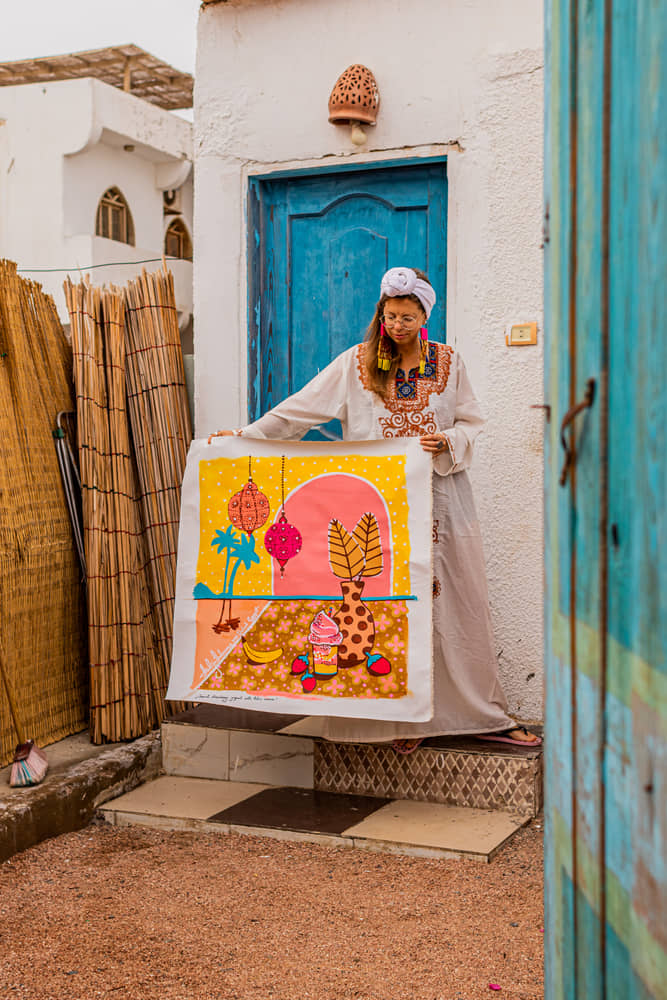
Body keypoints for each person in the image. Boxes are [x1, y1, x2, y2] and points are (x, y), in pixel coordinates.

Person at [209, 267, 540, 752]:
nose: (399, 325)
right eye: (391, 315)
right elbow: (298, 412)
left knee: (453, 608)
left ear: (426, 315)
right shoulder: (357, 364)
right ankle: (394, 718)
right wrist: (242, 437)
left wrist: (447, 439)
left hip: (442, 503)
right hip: (377, 510)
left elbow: (472, 422)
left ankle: (470, 713)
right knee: (381, 606)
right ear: (380, 314)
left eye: (409, 316)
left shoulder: (449, 363)